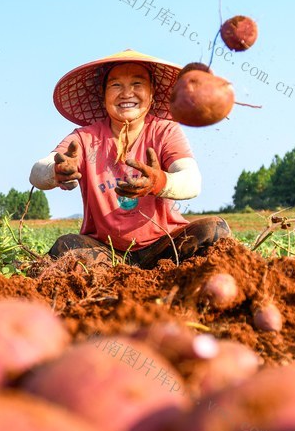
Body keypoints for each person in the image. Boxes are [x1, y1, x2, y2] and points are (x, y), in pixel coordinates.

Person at [30, 50, 230, 268]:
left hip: (166, 247)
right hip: (106, 251)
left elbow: (191, 181)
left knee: (214, 229)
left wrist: (159, 182)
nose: (127, 93)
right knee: (66, 246)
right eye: (116, 85)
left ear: (152, 92)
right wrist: (56, 171)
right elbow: (37, 172)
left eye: (137, 84)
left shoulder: (165, 131)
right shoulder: (85, 137)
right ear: (103, 93)